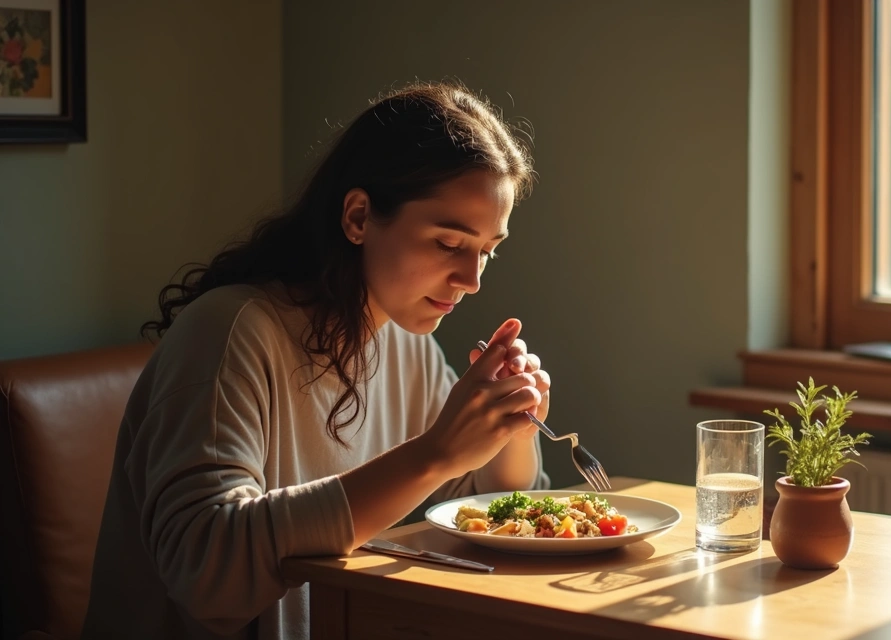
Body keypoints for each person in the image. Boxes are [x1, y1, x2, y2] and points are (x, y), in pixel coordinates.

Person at [81, 81, 551, 639]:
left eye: (487, 251)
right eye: (449, 244)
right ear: (358, 217)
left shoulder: (406, 343)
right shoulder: (230, 332)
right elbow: (207, 572)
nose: (472, 280)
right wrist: (433, 454)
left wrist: (512, 427)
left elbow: (474, 508)